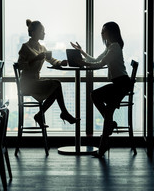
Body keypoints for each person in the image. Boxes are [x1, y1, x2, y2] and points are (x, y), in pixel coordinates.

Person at [71, 21, 132, 158]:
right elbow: (96, 60)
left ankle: (104, 143)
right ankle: (106, 138)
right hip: (119, 83)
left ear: (111, 32)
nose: (101, 33)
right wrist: (82, 52)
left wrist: (82, 63)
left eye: (103, 31)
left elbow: (99, 65)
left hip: (122, 84)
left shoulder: (115, 47)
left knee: (99, 100)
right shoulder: (110, 47)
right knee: (101, 103)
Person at [18, 19, 79, 127]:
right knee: (56, 84)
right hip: (27, 83)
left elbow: (52, 60)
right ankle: (61, 113)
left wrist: (61, 62)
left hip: (36, 81)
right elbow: (20, 66)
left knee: (56, 88)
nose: (44, 33)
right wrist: (35, 59)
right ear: (33, 33)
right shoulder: (25, 47)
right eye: (42, 31)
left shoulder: (42, 48)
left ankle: (41, 115)